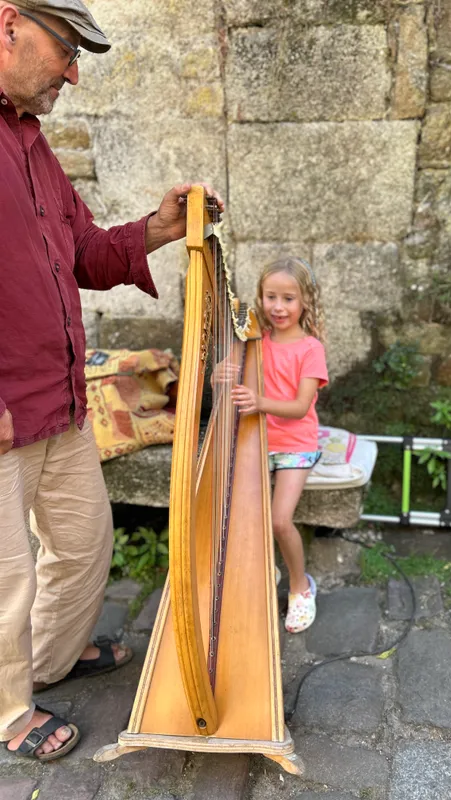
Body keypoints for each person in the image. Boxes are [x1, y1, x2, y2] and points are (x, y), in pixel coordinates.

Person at [0, 0, 223, 761]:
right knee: (6, 580)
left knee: (84, 545)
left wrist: (158, 229)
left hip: (58, 400)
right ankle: (9, 713)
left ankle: (47, 661)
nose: (72, 74)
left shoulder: (31, 144)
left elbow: (84, 254)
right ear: (8, 25)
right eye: (67, 51)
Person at [232, 257, 328, 634]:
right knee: (241, 515)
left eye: (288, 299)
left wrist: (259, 402)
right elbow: (234, 380)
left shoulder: (310, 349)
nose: (278, 306)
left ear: (305, 301)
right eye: (271, 296)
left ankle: (301, 587)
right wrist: (221, 374)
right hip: (257, 441)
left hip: (296, 443)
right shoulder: (254, 342)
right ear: (260, 297)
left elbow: (300, 407)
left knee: (278, 520)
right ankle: (262, 569)